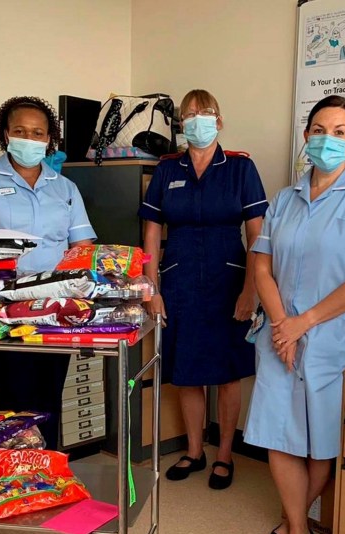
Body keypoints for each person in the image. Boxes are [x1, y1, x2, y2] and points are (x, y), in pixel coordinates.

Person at [243, 94, 345, 534]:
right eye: (318, 130)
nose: (327, 140)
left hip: (328, 340)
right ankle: (298, 529)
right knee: (277, 432)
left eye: (338, 132)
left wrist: (301, 324)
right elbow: (262, 265)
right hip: (277, 336)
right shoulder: (285, 200)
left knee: (319, 438)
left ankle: (294, 520)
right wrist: (282, 326)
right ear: (305, 136)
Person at [0, 96, 97, 448]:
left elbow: (84, 246)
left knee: (50, 392)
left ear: (49, 139)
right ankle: (14, 475)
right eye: (20, 131)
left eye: (38, 133)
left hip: (55, 303)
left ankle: (49, 469)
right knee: (15, 394)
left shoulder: (65, 188)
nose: (29, 139)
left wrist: (75, 281)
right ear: (5, 134)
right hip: (3, 305)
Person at [139, 89, 268, 490]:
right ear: (180, 123)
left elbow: (258, 237)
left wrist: (252, 291)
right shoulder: (166, 169)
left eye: (205, 112)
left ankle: (225, 454)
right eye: (189, 114)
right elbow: (152, 232)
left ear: (220, 120)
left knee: (228, 373)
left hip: (229, 281)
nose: (197, 119)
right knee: (187, 371)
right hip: (178, 281)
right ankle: (195, 451)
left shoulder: (241, 169)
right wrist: (150, 287)